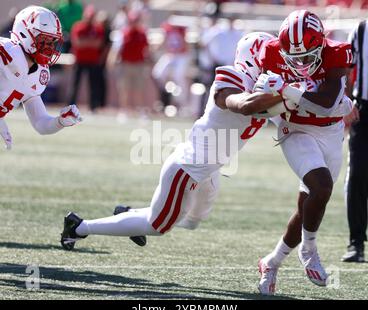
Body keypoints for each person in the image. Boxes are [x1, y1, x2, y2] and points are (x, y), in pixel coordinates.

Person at [60, 32, 284, 250]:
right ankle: (79, 227)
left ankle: (129, 214)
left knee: (194, 220)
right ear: (254, 57)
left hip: (210, 168)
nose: (276, 64)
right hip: (188, 168)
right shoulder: (231, 77)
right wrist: (275, 97)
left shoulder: (262, 88)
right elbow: (240, 103)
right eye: (271, 57)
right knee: (157, 225)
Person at [255, 10, 353, 295]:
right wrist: (268, 99)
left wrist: (287, 90)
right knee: (321, 186)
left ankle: (271, 262)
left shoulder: (336, 52)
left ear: (321, 44)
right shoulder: (271, 52)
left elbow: (325, 103)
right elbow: (260, 107)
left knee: (311, 203)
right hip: (294, 130)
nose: (299, 63)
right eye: (292, 56)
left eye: (306, 55)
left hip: (330, 132)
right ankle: (309, 249)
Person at [0, 6, 82, 151]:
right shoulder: (7, 51)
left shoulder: (39, 74)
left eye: (52, 42)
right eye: (43, 40)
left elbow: (40, 123)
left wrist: (60, 122)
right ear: (24, 33)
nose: (49, 47)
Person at [341, 19, 368, 263]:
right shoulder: (360, 30)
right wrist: (346, 103)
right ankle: (356, 242)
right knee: (358, 173)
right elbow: (347, 70)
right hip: (364, 110)